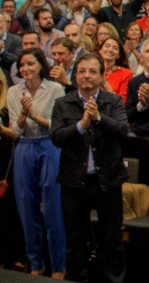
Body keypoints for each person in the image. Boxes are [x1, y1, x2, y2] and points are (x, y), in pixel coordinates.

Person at [49, 52, 129, 283]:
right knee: (75, 240)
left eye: (92, 71)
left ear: (101, 76)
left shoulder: (112, 101)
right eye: (82, 71)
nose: (87, 76)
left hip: (108, 182)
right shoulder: (62, 103)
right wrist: (82, 125)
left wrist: (98, 118)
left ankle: (115, 279)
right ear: (75, 76)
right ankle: (77, 279)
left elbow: (121, 129)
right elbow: (56, 137)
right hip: (74, 182)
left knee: (112, 239)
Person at [7, 49, 67, 277]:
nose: (25, 69)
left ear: (41, 65)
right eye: (22, 65)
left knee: (52, 210)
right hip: (24, 149)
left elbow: (56, 125)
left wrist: (33, 115)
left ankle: (59, 266)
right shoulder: (14, 92)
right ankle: (35, 264)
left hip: (49, 147)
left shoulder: (55, 89)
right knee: (26, 210)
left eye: (30, 64)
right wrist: (23, 114)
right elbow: (14, 129)